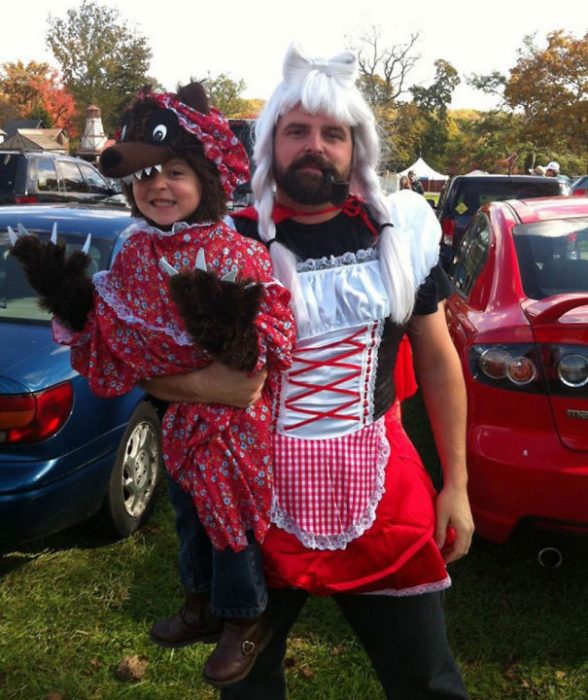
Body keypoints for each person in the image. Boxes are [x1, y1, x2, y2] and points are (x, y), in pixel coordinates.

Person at [146, 44, 474, 699]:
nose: (314, 146)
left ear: (357, 147)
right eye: (297, 131)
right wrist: (209, 386)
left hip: (382, 490)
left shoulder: (398, 229)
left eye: (332, 133)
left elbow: (437, 359)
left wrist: (457, 483)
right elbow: (143, 362)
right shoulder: (222, 237)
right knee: (249, 687)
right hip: (251, 502)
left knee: (427, 682)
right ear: (272, 141)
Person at [10, 81, 295, 688]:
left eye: (174, 173)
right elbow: (115, 323)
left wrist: (221, 340)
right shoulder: (136, 248)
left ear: (207, 181)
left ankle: (246, 618)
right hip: (178, 419)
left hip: (232, 427)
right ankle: (198, 603)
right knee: (187, 511)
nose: (158, 186)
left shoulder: (234, 250)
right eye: (144, 178)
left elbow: (265, 342)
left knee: (230, 522)